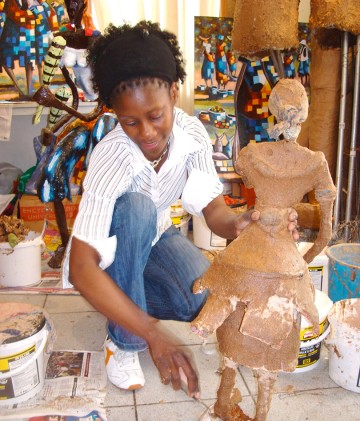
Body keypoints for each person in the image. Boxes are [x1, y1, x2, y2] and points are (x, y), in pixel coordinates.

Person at [62, 20, 298, 399]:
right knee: (136, 208)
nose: (147, 133)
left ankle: (124, 300)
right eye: (130, 122)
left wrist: (241, 225)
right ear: (115, 114)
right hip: (107, 252)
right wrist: (151, 333)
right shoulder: (112, 157)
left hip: (155, 234)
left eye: (155, 116)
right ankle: (123, 342)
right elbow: (80, 266)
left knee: (200, 299)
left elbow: (214, 212)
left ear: (174, 92)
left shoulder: (192, 136)